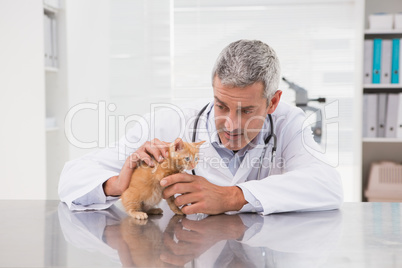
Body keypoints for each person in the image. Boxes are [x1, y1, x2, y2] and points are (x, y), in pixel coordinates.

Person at [59, 39, 343, 215]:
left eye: (247, 111)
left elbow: (328, 185)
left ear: (273, 102)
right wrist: (116, 184)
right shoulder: (169, 122)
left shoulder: (288, 122)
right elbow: (71, 177)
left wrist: (234, 196)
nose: (231, 124)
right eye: (221, 105)